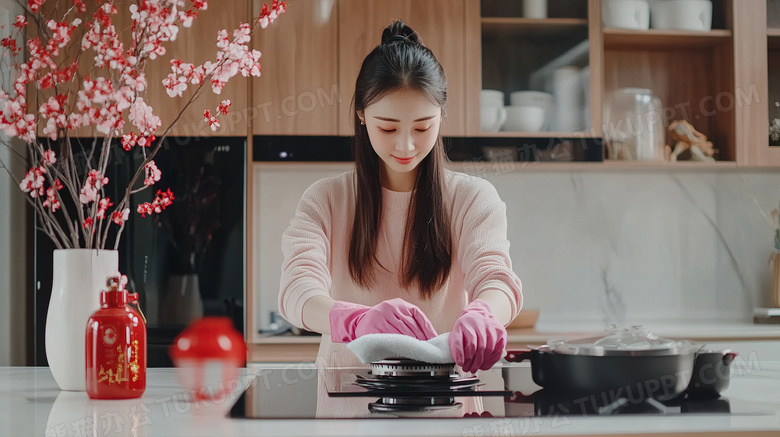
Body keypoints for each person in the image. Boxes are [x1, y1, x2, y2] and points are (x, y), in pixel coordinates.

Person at [278, 20, 523, 377]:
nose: (406, 145)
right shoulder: (326, 200)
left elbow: (497, 279)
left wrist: (483, 313)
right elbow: (296, 289)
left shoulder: (473, 199)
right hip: (348, 409)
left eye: (423, 127)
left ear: (442, 115)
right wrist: (354, 320)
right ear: (362, 115)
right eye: (388, 128)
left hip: (447, 406)